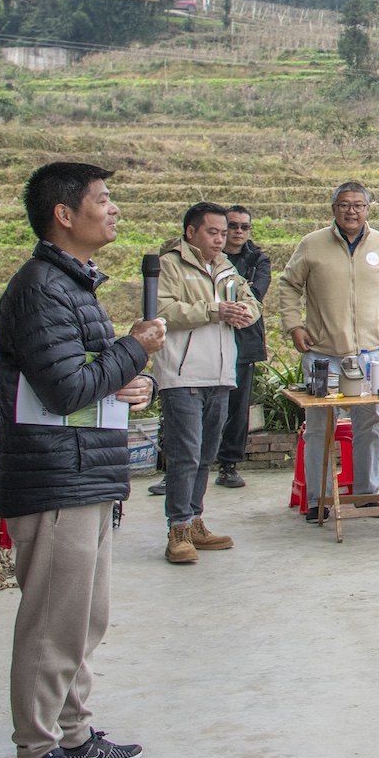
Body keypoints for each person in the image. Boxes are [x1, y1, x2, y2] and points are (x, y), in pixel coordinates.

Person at [0, 162, 160, 758]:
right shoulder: (41, 289)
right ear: (64, 214)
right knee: (50, 624)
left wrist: (128, 380)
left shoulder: (71, 286)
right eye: (103, 199)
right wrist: (135, 349)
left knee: (84, 617)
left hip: (85, 470)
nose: (113, 209)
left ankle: (72, 733)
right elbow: (63, 388)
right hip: (55, 477)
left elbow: (84, 379)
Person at [282, 181, 379, 519]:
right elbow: (289, 284)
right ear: (333, 208)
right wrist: (294, 325)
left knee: (370, 426)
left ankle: (366, 495)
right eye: (344, 205)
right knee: (320, 429)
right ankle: (317, 502)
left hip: (370, 354)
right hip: (323, 353)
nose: (352, 211)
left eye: (358, 205)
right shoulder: (312, 244)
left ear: (368, 208)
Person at [148, 202, 252, 565]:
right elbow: (160, 312)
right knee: (185, 454)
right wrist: (214, 310)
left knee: (206, 454)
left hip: (220, 374)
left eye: (224, 233)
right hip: (182, 374)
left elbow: (252, 302)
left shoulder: (226, 268)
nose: (221, 239)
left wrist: (244, 312)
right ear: (190, 232)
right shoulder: (169, 265)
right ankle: (176, 529)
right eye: (213, 232)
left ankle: (193, 520)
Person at [216, 204, 270, 489]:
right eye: (232, 226)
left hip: (243, 341)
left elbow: (255, 297)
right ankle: (179, 467)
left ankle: (228, 465)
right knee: (196, 405)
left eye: (244, 227)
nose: (238, 231)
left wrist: (225, 303)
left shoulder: (258, 259)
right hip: (208, 339)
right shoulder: (208, 257)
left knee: (238, 408)